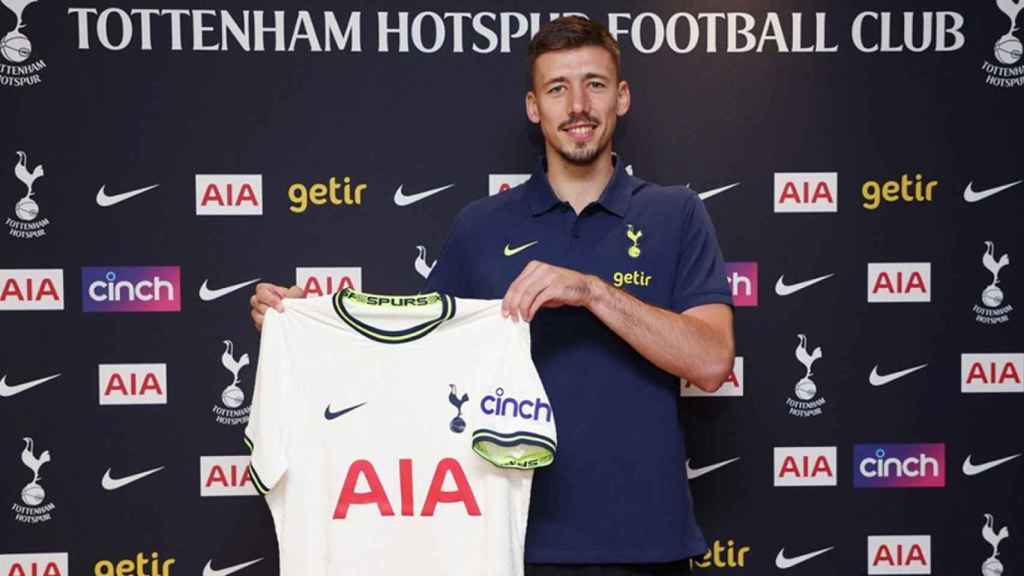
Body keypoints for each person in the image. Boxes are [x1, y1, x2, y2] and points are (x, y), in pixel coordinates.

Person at [250, 16, 734, 576]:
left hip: (648, 544)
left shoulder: (676, 213)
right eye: (558, 88)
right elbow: (413, 365)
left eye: (595, 84)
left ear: (621, 97)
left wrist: (594, 292)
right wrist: (306, 326)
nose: (578, 104)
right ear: (534, 107)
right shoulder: (481, 226)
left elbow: (711, 361)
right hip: (507, 544)